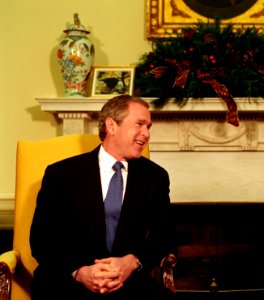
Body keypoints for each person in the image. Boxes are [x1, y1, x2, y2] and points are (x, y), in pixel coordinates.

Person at [30, 95, 175, 300]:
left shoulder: (155, 177)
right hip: (67, 280)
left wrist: (132, 262)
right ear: (111, 126)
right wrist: (80, 272)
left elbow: (165, 235)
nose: (146, 133)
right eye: (140, 124)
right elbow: (41, 240)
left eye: (148, 127)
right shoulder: (61, 174)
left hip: (127, 282)